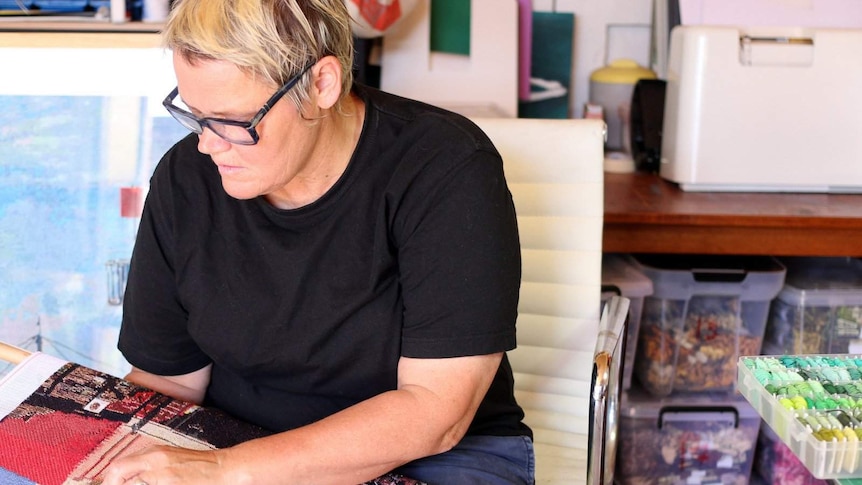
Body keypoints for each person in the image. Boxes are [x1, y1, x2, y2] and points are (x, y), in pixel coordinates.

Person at [102, 0, 533, 484]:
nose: (207, 144)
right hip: (234, 438)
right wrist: (114, 458)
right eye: (196, 115)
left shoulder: (445, 168)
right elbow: (169, 378)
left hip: (436, 457)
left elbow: (437, 413)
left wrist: (227, 471)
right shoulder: (187, 179)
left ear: (322, 84)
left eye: (234, 121)